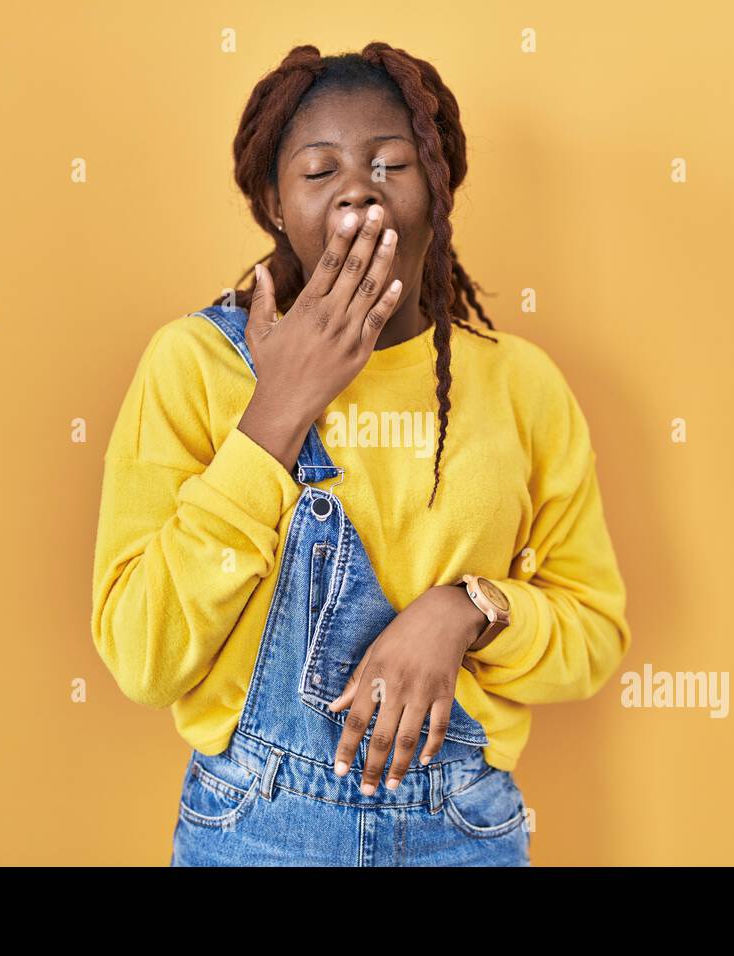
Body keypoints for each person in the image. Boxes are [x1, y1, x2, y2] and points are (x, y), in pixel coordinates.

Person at [90, 42, 632, 866]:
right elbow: (143, 655)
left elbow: (593, 632)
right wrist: (276, 411)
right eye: (320, 171)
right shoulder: (192, 365)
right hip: (253, 828)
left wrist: (470, 610)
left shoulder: (521, 384)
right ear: (275, 204)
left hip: (464, 829)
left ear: (437, 190)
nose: (359, 189)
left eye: (392, 163)